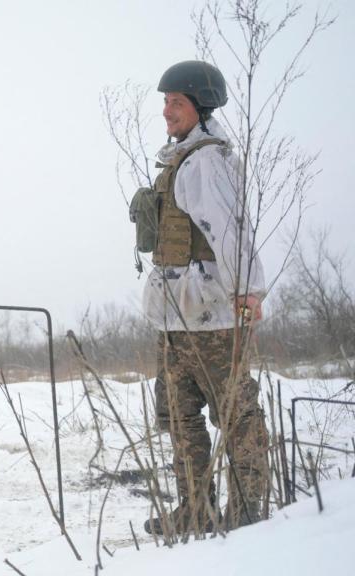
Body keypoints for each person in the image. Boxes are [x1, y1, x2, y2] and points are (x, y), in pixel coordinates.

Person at [138, 60, 269, 536]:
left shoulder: (205, 163)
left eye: (177, 103)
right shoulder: (179, 161)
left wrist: (247, 291)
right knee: (178, 415)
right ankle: (196, 509)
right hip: (176, 314)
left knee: (235, 414)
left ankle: (249, 515)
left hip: (211, 314)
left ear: (201, 107)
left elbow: (231, 231)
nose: (168, 112)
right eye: (166, 103)